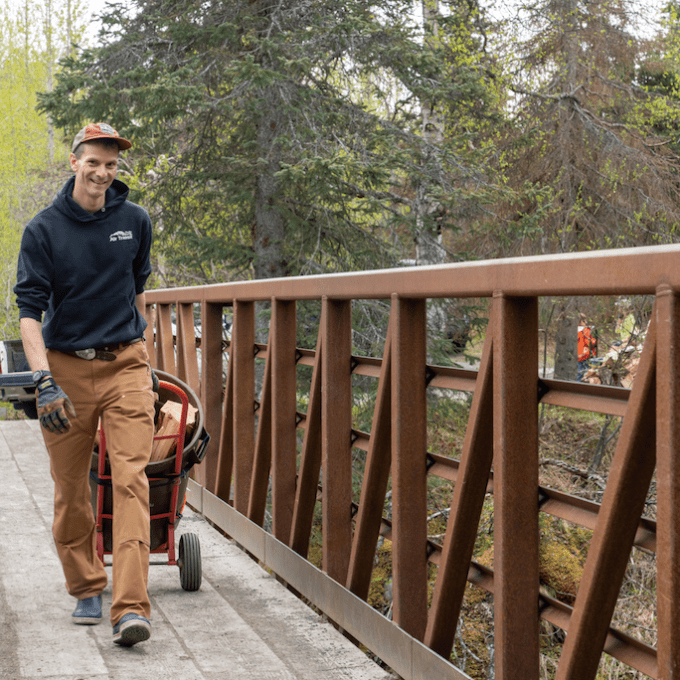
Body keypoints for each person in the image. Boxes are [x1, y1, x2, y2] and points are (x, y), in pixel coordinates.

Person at [14, 122, 157, 647]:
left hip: (125, 365)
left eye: (112, 164)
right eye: (93, 161)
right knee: (71, 488)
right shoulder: (44, 229)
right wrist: (43, 380)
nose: (102, 172)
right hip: (65, 369)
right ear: (74, 161)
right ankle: (86, 584)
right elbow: (30, 311)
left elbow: (137, 289)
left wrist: (146, 359)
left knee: (130, 480)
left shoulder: (135, 220)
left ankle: (131, 608)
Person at [577, 315, 597, 381]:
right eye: (585, 320)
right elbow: (590, 342)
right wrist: (595, 341)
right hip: (584, 355)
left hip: (578, 355)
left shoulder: (576, 329)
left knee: (579, 372)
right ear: (582, 321)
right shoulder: (585, 330)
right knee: (584, 372)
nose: (586, 322)